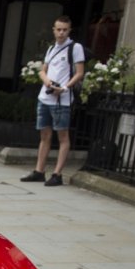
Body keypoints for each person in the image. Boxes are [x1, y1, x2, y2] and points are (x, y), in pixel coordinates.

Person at [21, 15, 86, 186]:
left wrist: (64, 87)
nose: (61, 33)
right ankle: (39, 170)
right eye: (58, 29)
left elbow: (80, 72)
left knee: (62, 135)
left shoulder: (75, 47)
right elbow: (43, 70)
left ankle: (57, 173)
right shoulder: (51, 49)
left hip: (62, 99)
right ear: (54, 30)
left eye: (65, 30)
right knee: (44, 134)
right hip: (45, 96)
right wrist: (47, 82)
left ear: (69, 30)